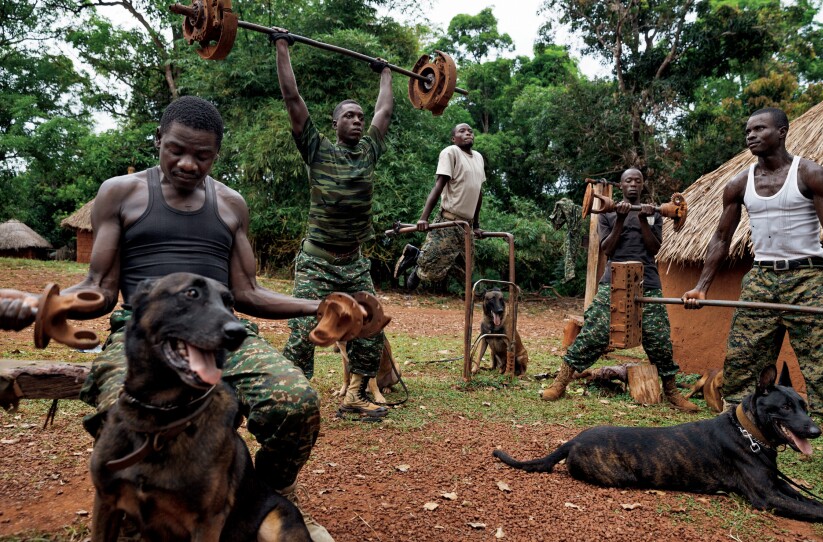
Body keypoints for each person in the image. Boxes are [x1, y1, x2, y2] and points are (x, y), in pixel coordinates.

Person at [0, 96, 332, 540]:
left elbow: (248, 292)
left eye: (203, 155)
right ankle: (137, 500)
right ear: (159, 140)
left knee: (296, 402)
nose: (189, 164)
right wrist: (37, 303)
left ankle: (265, 493)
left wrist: (320, 305)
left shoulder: (231, 205)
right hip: (144, 335)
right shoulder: (122, 192)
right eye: (176, 149)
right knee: (116, 409)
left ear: (217, 154)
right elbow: (99, 287)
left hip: (220, 330)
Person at [682, 107, 823, 487]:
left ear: (781, 132)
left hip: (810, 278)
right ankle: (736, 447)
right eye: (747, 129)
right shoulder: (737, 184)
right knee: (744, 364)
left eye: (759, 129)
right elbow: (720, 238)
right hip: (762, 279)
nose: (750, 135)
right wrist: (701, 287)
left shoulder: (811, 174)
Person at [271, 31, 393, 420]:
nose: (357, 120)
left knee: (370, 325)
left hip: (353, 260)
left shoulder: (369, 151)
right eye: (349, 116)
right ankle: (294, 397)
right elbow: (293, 98)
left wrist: (386, 73)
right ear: (335, 122)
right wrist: (282, 46)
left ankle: (355, 396)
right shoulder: (317, 149)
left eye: (360, 115)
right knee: (303, 331)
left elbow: (385, 112)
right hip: (317, 261)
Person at [541, 169, 698, 412]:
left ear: (642, 185)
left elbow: (654, 248)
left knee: (658, 338)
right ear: (621, 186)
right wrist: (622, 218)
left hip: (648, 281)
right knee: (594, 332)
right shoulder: (608, 213)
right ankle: (560, 382)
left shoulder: (655, 213)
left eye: (637, 181)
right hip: (614, 280)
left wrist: (644, 219)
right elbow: (608, 249)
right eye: (628, 181)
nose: (633, 184)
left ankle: (672, 392)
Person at [393, 123, 485, 290]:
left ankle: (421, 257)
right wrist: (423, 218)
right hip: (448, 220)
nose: (468, 133)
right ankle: (416, 258)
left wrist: (477, 225)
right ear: (453, 138)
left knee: (467, 272)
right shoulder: (451, 152)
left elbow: (478, 192)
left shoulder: (478, 157)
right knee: (431, 271)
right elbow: (438, 186)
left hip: (466, 225)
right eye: (462, 131)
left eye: (470, 131)